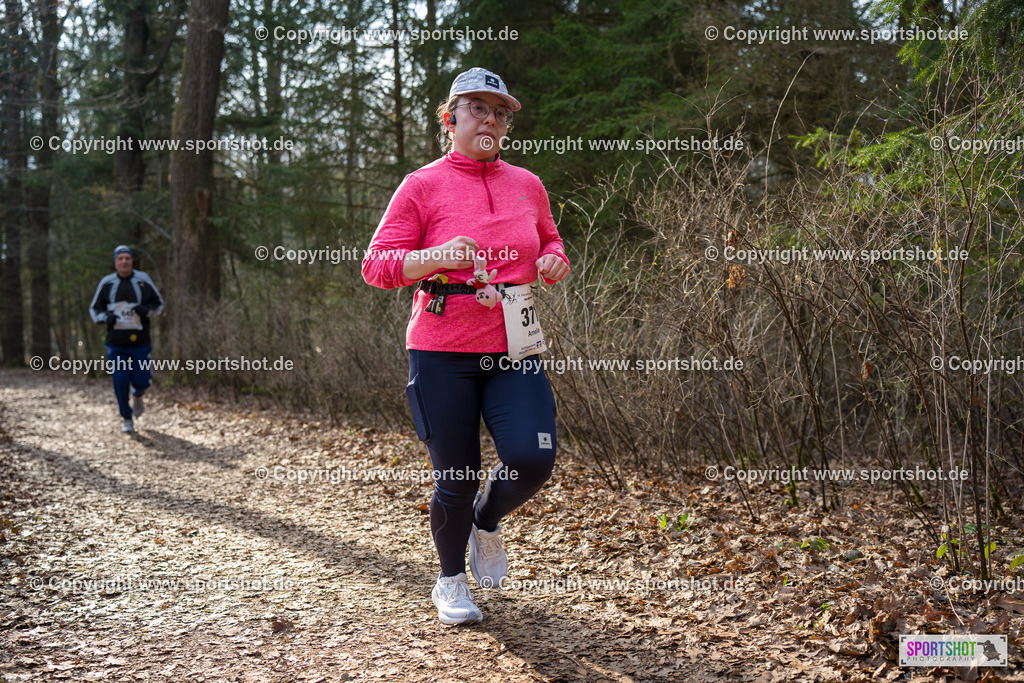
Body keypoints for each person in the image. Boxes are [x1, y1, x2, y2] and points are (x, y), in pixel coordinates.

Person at [362, 67, 570, 625]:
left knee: (533, 457)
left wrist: (555, 258)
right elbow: (376, 266)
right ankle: (451, 580)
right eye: (478, 108)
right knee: (455, 477)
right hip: (441, 351)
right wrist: (435, 257)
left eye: (500, 112)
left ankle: (487, 520)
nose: (491, 120)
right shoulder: (421, 185)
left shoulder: (527, 184)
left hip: (513, 347)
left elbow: (549, 239)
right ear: (450, 118)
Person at [89, 245, 164, 433]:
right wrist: (105, 318)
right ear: (115, 262)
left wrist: (146, 311)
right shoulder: (107, 283)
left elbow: (159, 304)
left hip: (141, 342)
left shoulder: (143, 280)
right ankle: (127, 418)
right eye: (120, 258)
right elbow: (95, 309)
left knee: (142, 379)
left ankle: (138, 395)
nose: (124, 262)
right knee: (120, 380)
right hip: (116, 344)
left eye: (127, 258)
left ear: (132, 261)